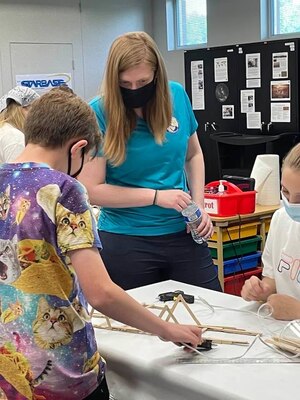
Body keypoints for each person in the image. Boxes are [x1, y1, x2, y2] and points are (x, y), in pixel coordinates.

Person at [0, 86, 202, 400]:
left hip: (9, 375)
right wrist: (168, 329)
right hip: (65, 378)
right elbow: (102, 293)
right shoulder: (64, 189)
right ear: (78, 148)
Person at [79, 31, 221, 292]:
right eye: (125, 84)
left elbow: (194, 155)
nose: (134, 90)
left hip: (183, 233)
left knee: (212, 310)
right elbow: (93, 190)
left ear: (157, 75)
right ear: (114, 80)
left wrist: (199, 205)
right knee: (134, 328)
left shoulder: (176, 95)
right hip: (126, 239)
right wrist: (156, 196)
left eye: (143, 81)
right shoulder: (98, 112)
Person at [241, 143, 300, 321]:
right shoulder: (281, 219)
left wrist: (297, 312)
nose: (291, 203)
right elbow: (273, 279)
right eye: (285, 191)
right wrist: (261, 289)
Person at [0, 85, 39, 162]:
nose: (36, 116)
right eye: (34, 110)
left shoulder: (4, 129)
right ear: (23, 109)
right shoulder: (14, 137)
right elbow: (18, 172)